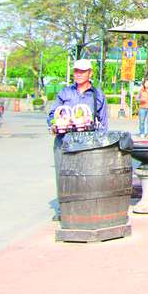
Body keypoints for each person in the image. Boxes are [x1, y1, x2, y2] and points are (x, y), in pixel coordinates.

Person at [46, 59, 108, 220]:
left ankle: (84, 209)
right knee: (63, 175)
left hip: (87, 141)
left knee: (86, 176)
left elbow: (103, 123)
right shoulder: (65, 93)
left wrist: (101, 145)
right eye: (76, 71)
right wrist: (53, 124)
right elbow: (53, 114)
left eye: (83, 71)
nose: (79, 74)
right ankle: (64, 210)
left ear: (90, 73)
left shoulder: (97, 95)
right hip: (64, 139)